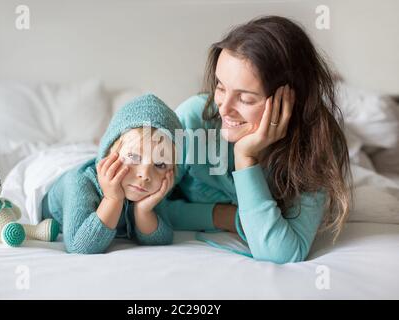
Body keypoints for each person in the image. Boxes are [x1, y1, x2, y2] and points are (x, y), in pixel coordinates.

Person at [158, 16, 353, 264]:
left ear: (289, 101)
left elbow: (282, 253)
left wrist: (245, 158)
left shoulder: (317, 147)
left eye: (246, 99)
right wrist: (224, 216)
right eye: (220, 87)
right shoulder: (194, 120)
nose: (224, 109)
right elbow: (144, 207)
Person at [41, 94, 181, 254]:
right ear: (110, 152)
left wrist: (144, 211)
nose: (145, 174)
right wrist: (113, 199)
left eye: (160, 164)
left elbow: (162, 239)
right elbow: (79, 246)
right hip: (56, 173)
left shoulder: (150, 186)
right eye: (134, 157)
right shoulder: (79, 182)